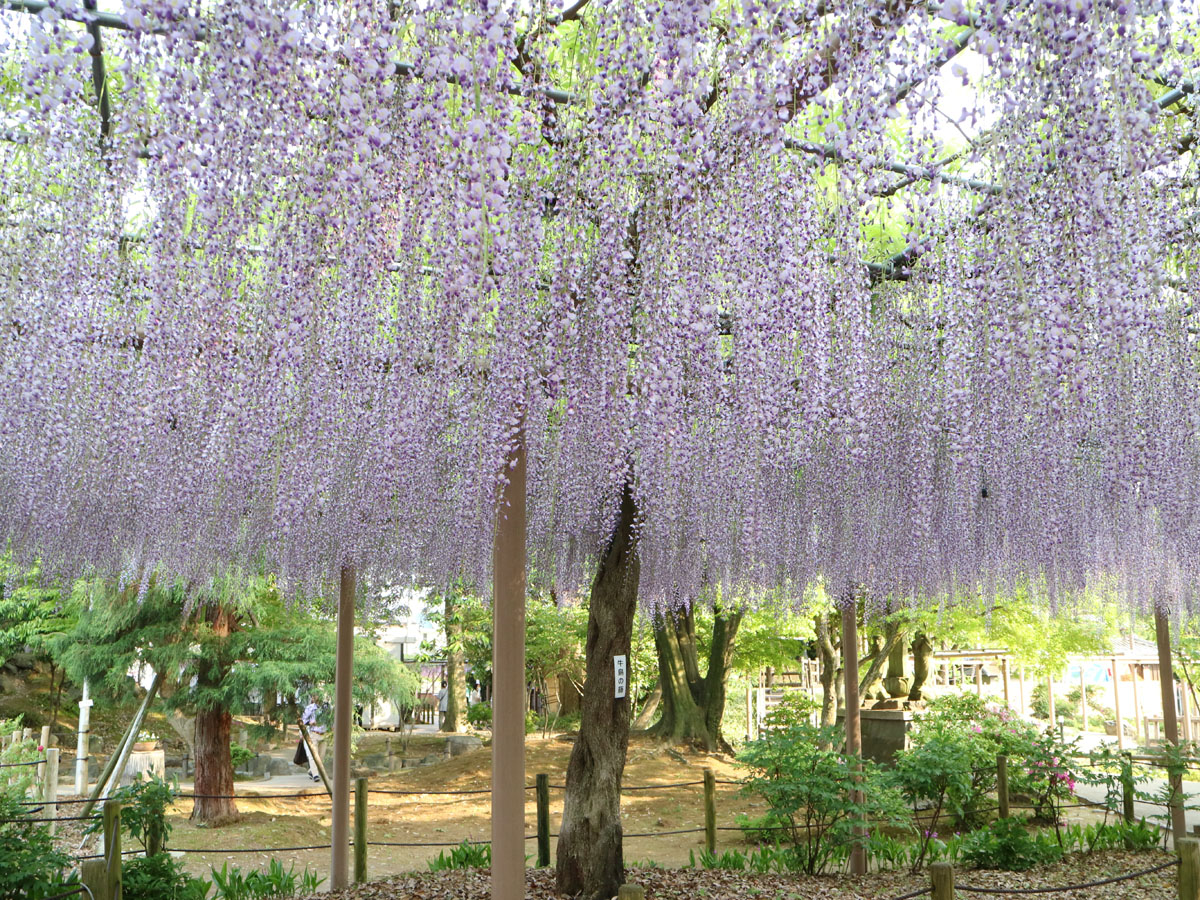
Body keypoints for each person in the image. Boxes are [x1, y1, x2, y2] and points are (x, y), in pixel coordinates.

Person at [301, 697, 326, 782]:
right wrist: (310, 723)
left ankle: (312, 771)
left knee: (321, 755)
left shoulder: (327, 707)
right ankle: (315, 775)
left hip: (323, 734)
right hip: (313, 733)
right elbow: (303, 721)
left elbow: (330, 719)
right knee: (313, 755)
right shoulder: (310, 708)